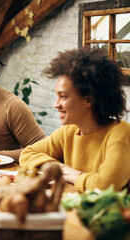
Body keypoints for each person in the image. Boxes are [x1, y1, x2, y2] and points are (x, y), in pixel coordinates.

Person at [19, 47, 130, 193]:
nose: (56, 104)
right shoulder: (70, 131)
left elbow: (104, 186)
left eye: (63, 96)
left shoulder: (119, 134)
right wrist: (61, 168)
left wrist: (72, 177)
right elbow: (27, 154)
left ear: (88, 99)